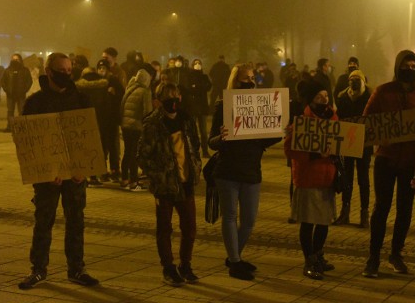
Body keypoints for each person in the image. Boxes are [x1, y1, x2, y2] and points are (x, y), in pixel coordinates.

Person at [17, 52, 99, 289]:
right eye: (61, 71)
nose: (66, 75)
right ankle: (38, 269)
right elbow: (28, 143)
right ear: (48, 72)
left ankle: (76, 268)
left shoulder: (82, 100)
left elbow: (90, 137)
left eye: (68, 71)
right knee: (43, 221)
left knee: (76, 221)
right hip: (46, 178)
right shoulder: (35, 103)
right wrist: (44, 171)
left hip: (75, 176)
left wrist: (84, 169)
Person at [362, 50, 415, 278]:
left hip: (410, 161)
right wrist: (378, 134)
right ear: (397, 66)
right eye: (406, 65)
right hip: (386, 157)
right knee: (381, 208)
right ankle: (373, 257)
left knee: (405, 209)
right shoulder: (383, 92)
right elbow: (368, 120)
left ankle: (396, 253)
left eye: (414, 66)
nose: (410, 69)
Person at [209, 63, 281, 281]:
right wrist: (221, 137)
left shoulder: (260, 104)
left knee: (249, 219)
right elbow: (211, 142)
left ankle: (234, 256)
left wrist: (281, 131)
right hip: (228, 169)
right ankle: (235, 262)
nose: (250, 82)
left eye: (252, 78)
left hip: (251, 169)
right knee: (230, 216)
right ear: (235, 80)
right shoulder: (223, 106)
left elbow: (267, 137)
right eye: (245, 78)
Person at [138, 82, 202, 286]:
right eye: (169, 96)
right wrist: (158, 175)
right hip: (165, 185)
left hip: (186, 182)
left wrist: (195, 167)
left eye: (177, 95)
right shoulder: (153, 124)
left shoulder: (186, 119)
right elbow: (142, 155)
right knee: (164, 228)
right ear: (158, 100)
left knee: (190, 227)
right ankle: (168, 267)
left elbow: (194, 145)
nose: (174, 100)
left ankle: (185, 264)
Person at [285, 79, 338, 280]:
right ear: (311, 100)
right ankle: (309, 260)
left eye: (326, 95)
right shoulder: (301, 120)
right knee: (308, 223)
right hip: (307, 179)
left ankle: (317, 255)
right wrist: (315, 155)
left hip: (326, 178)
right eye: (319, 96)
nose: (324, 99)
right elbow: (289, 150)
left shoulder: (333, 117)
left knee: (323, 222)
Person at [334, 68, 372, 227]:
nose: (354, 82)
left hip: (364, 144)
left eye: (357, 79)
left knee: (363, 179)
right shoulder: (342, 99)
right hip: (347, 143)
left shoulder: (370, 98)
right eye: (352, 79)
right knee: (347, 178)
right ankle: (345, 212)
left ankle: (364, 214)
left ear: (363, 81)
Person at [75, 67, 112, 187]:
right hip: (100, 120)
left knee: (83, 149)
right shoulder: (103, 86)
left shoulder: (78, 86)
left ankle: (83, 176)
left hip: (83, 121)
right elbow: (107, 105)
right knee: (97, 149)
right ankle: (94, 176)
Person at [120, 68, 153, 191]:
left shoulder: (130, 88)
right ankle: (133, 182)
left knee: (127, 152)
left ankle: (124, 179)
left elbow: (122, 107)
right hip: (136, 126)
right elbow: (147, 111)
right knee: (134, 153)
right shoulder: (145, 91)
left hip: (125, 125)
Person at [96, 58, 124, 182]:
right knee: (101, 146)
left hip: (111, 118)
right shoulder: (96, 82)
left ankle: (114, 169)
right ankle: (102, 170)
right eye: (100, 68)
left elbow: (121, 94)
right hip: (100, 119)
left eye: (104, 68)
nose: (101, 70)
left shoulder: (113, 80)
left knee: (113, 145)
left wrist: (114, 93)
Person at [1, 53, 33, 132]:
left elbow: (29, 81)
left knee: (21, 111)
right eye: (13, 59)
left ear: (20, 60)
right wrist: (7, 90)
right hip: (10, 94)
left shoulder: (25, 70)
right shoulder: (7, 70)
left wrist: (24, 90)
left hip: (21, 94)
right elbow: (3, 81)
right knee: (10, 111)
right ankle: (10, 127)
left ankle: (22, 126)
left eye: (17, 59)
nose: (15, 61)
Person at [189, 59, 213, 158]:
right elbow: (190, 88)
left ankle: (205, 150)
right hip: (194, 107)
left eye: (199, 63)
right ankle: (194, 151)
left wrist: (197, 87)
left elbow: (208, 86)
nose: (198, 65)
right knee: (193, 131)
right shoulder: (190, 76)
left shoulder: (204, 76)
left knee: (203, 131)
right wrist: (199, 87)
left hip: (202, 107)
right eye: (196, 63)